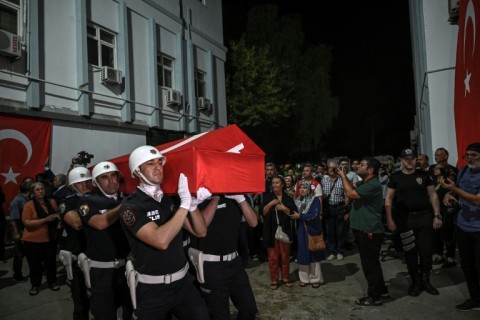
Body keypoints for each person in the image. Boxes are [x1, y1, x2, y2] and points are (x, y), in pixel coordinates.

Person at [119, 145, 210, 319]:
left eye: (160, 162)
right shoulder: (131, 206)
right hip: (152, 290)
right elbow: (160, 240)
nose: (158, 167)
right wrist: (184, 205)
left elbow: (200, 231)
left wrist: (192, 206)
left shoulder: (169, 199)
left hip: (183, 284)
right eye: (150, 163)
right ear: (137, 171)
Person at [77, 161, 132, 319]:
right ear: (95, 182)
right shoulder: (87, 201)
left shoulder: (124, 199)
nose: (111, 180)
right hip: (101, 271)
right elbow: (100, 223)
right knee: (104, 314)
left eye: (114, 175)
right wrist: (125, 205)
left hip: (125, 267)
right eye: (104, 177)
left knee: (130, 310)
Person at [385, 148, 442, 297]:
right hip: (405, 219)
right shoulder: (395, 177)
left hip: (424, 217)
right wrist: (389, 218)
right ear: (402, 160)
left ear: (416, 160)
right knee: (410, 251)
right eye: (406, 158)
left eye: (412, 158)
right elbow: (389, 199)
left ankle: (426, 280)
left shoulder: (424, 175)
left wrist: (437, 215)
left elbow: (433, 195)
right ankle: (416, 281)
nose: (409, 161)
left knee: (426, 250)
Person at [194, 192, 258, 319]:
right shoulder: (200, 196)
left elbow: (254, 222)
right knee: (219, 315)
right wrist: (215, 199)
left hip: (234, 263)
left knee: (249, 308)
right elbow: (201, 228)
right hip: (211, 266)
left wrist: (241, 200)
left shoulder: (235, 196)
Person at [338, 157, 389, 306]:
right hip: (362, 228)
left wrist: (342, 177)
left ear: (370, 170)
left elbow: (351, 194)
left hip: (369, 229)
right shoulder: (364, 182)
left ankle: (374, 296)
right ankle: (382, 290)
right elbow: (352, 186)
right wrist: (345, 178)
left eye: (362, 164)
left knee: (369, 265)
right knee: (372, 262)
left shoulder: (373, 184)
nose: (358, 166)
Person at [440, 142, 480, 312]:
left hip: (479, 229)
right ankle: (475, 299)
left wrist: (454, 188)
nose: (469, 158)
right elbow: (457, 190)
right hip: (463, 227)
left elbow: (478, 200)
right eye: (467, 155)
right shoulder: (463, 171)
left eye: (474, 155)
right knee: (467, 266)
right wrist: (450, 194)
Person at [60, 167, 93, 319]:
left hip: (97, 256)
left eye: (87, 181)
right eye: (80, 183)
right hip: (79, 258)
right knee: (80, 304)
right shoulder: (67, 202)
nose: (85, 185)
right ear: (73, 185)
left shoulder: (97, 197)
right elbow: (76, 223)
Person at [21, 182, 61, 296]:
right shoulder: (29, 205)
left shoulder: (51, 202)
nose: (40, 191)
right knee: (35, 265)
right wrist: (46, 219)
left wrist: (58, 220)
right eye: (37, 190)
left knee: (51, 263)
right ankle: (35, 285)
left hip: (50, 239)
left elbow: (57, 212)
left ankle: (52, 282)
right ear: (33, 192)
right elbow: (27, 223)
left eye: (42, 189)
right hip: (33, 241)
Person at [262, 175, 296, 290]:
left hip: (285, 231)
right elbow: (263, 212)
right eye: (273, 183)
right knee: (272, 257)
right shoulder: (267, 197)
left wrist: (284, 208)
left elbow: (293, 213)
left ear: (282, 185)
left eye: (277, 183)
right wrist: (271, 204)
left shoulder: (288, 198)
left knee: (285, 256)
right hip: (271, 232)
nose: (275, 185)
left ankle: (286, 277)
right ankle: (274, 280)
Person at [291, 179, 325, 288]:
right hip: (301, 230)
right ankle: (304, 279)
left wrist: (300, 216)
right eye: (300, 187)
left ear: (309, 189)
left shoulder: (315, 200)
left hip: (312, 230)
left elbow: (314, 214)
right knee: (302, 252)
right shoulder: (296, 200)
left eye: (305, 187)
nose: (302, 189)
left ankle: (315, 278)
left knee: (313, 252)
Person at [431, 164, 457, 268]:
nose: (434, 169)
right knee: (436, 233)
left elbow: (455, 190)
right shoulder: (433, 180)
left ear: (443, 170)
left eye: (437, 168)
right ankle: (440, 255)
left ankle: (451, 258)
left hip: (447, 211)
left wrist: (449, 193)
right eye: (434, 168)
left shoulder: (448, 181)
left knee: (447, 234)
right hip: (436, 211)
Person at [322, 161, 346, 261]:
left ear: (337, 169)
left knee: (340, 231)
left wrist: (346, 210)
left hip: (340, 207)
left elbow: (347, 195)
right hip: (328, 208)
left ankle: (340, 251)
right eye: (329, 168)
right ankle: (332, 251)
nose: (331, 169)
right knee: (330, 231)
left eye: (333, 168)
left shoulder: (342, 180)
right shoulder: (323, 180)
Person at [9, 182, 30, 281]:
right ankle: (17, 274)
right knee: (19, 254)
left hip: (26, 230)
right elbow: (13, 219)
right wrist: (17, 233)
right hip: (20, 231)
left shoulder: (24, 199)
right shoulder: (17, 201)